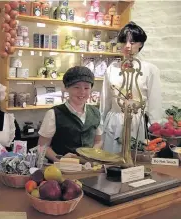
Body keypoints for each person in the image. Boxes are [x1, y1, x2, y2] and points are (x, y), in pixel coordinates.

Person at [100, 21, 162, 153]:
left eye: (132, 42)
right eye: (124, 42)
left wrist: (155, 129)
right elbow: (105, 101)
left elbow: (154, 102)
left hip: (136, 121)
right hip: (113, 120)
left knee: (133, 159)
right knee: (110, 159)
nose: (127, 46)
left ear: (140, 44)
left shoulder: (150, 70)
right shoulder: (112, 69)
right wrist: (100, 123)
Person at [38, 66, 103, 162]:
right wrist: (60, 159)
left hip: (89, 169)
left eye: (86, 88)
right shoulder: (54, 114)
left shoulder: (96, 112)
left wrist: (92, 154)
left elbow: (98, 140)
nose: (82, 92)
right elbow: (42, 146)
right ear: (67, 88)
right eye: (76, 87)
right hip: (61, 171)